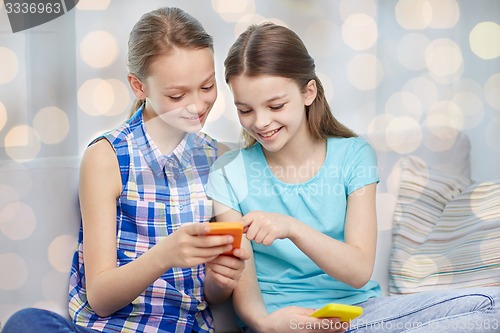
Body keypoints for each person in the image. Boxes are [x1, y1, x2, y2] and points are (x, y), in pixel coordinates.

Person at [206, 22, 500, 333]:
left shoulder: (354, 156)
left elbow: (358, 270)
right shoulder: (228, 172)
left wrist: (291, 228)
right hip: (286, 323)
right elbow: (243, 279)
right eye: (245, 110)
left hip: (363, 316)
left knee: (490, 306)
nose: (261, 122)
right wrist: (264, 324)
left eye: (275, 105)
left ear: (308, 92)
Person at [3, 7, 248, 333]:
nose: (197, 105)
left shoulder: (219, 157)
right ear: (138, 87)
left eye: (207, 87)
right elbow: (101, 297)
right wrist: (165, 255)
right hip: (107, 328)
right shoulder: (107, 158)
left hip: (182, 328)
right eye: (177, 94)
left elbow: (211, 298)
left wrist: (219, 281)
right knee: (27, 323)